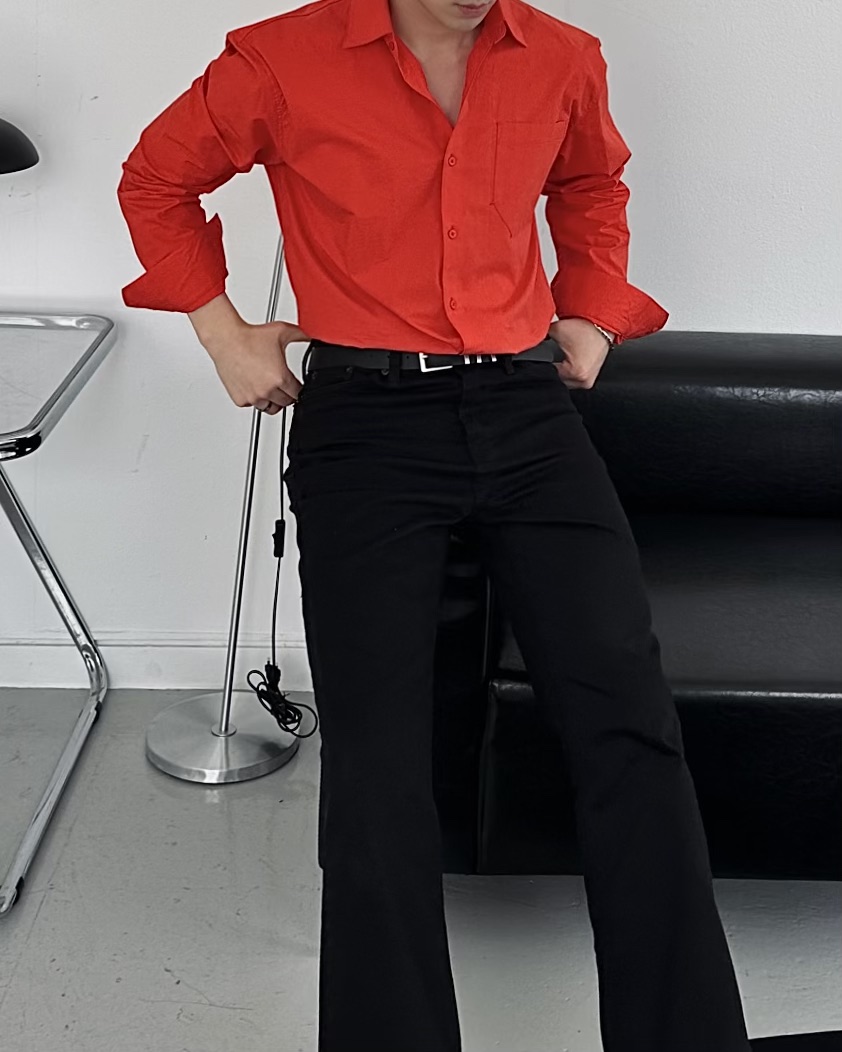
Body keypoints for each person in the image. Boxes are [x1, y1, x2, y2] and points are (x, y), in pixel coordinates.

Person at [117, 0, 753, 1049]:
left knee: (629, 722)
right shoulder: (278, 60)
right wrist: (224, 333)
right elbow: (155, 178)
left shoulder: (561, 57)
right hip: (365, 421)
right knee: (378, 760)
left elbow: (590, 181)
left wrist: (592, 309)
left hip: (524, 405)